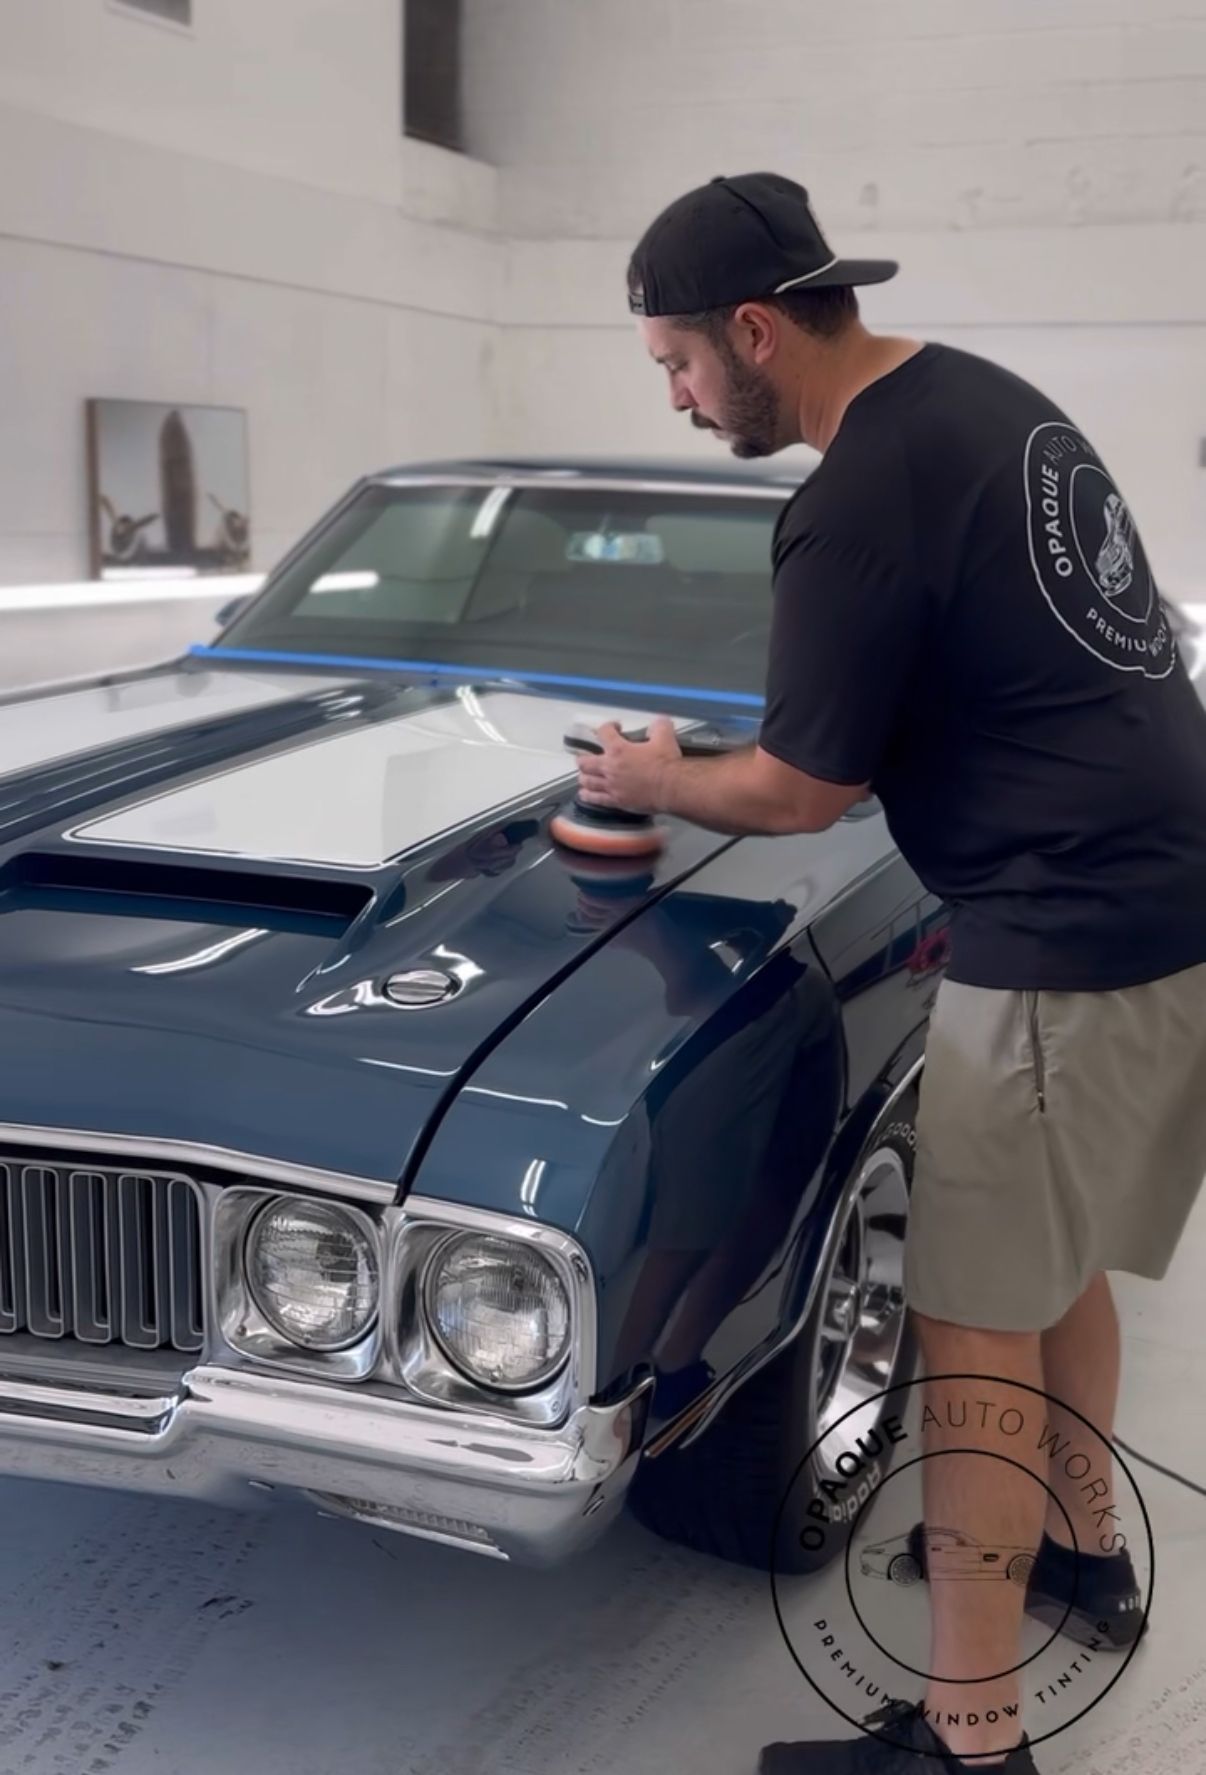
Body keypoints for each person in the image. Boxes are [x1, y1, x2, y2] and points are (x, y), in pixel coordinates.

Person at [573, 172, 1206, 1774]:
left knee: (970, 1323)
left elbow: (799, 793)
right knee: (1055, 1267)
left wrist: (652, 780)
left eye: (676, 362)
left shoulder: (856, 492)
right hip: (1160, 904)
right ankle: (1080, 1554)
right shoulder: (978, 400)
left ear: (754, 330)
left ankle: (968, 1742)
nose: (675, 396)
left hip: (1061, 934)